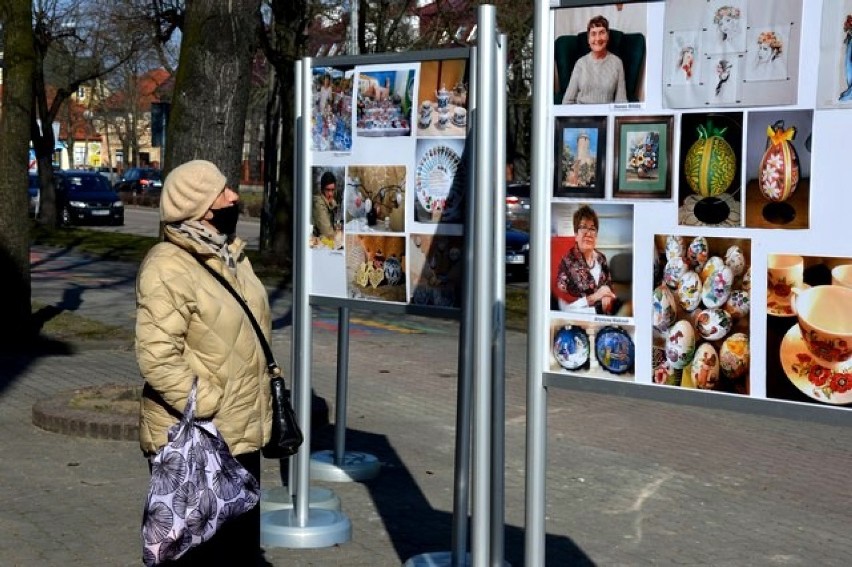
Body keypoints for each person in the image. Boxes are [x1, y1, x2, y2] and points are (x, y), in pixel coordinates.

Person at [136, 159, 271, 564]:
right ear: (200, 208)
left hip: (241, 431)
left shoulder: (230, 256)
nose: (234, 196)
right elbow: (156, 354)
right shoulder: (166, 266)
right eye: (223, 191)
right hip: (202, 437)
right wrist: (207, 401)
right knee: (198, 553)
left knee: (238, 549)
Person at [554, 205, 619, 314]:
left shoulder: (601, 258)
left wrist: (607, 296)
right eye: (583, 227)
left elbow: (608, 286)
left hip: (603, 318)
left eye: (592, 229)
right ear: (576, 235)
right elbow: (565, 308)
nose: (588, 233)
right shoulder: (566, 262)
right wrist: (595, 297)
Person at [562, 15, 627, 105]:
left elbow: (621, 102)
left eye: (602, 32)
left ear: (608, 36)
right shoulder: (581, 63)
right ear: (588, 39)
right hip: (581, 116)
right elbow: (567, 101)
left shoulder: (617, 63)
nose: (598, 38)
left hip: (606, 116)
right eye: (593, 34)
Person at [313, 171, 339, 239]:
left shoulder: (332, 203)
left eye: (332, 190)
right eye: (327, 190)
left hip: (327, 242)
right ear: (322, 190)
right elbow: (328, 233)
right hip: (320, 243)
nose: (330, 194)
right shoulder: (319, 204)